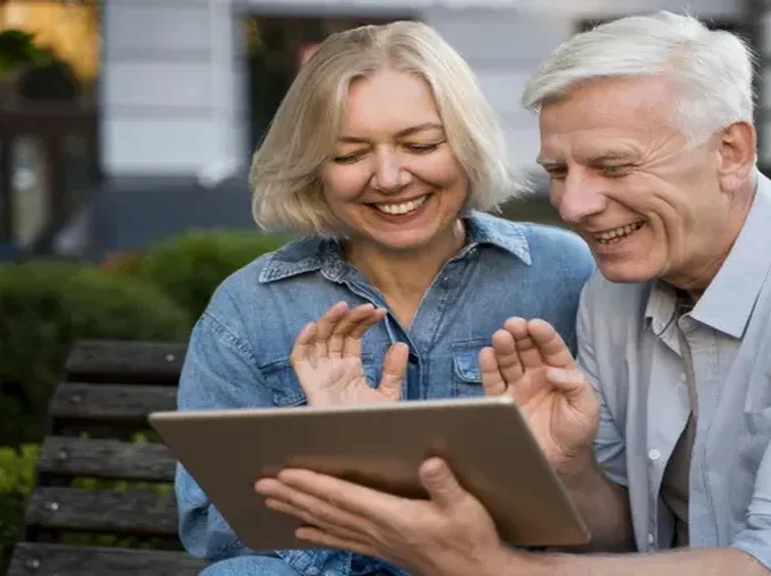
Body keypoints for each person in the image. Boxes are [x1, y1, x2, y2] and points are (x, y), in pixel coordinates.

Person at [252, 11, 771, 576]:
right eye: (560, 172)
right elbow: (618, 540)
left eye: (612, 166)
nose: (575, 207)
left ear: (731, 152)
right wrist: (569, 469)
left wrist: (494, 566)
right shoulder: (616, 290)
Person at [175, 20, 595, 576]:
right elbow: (211, 527)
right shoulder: (250, 309)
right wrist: (341, 458)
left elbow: (621, 501)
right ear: (313, 169)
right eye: (349, 155)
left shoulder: (563, 273)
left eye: (420, 144)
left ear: (466, 142)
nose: (391, 177)